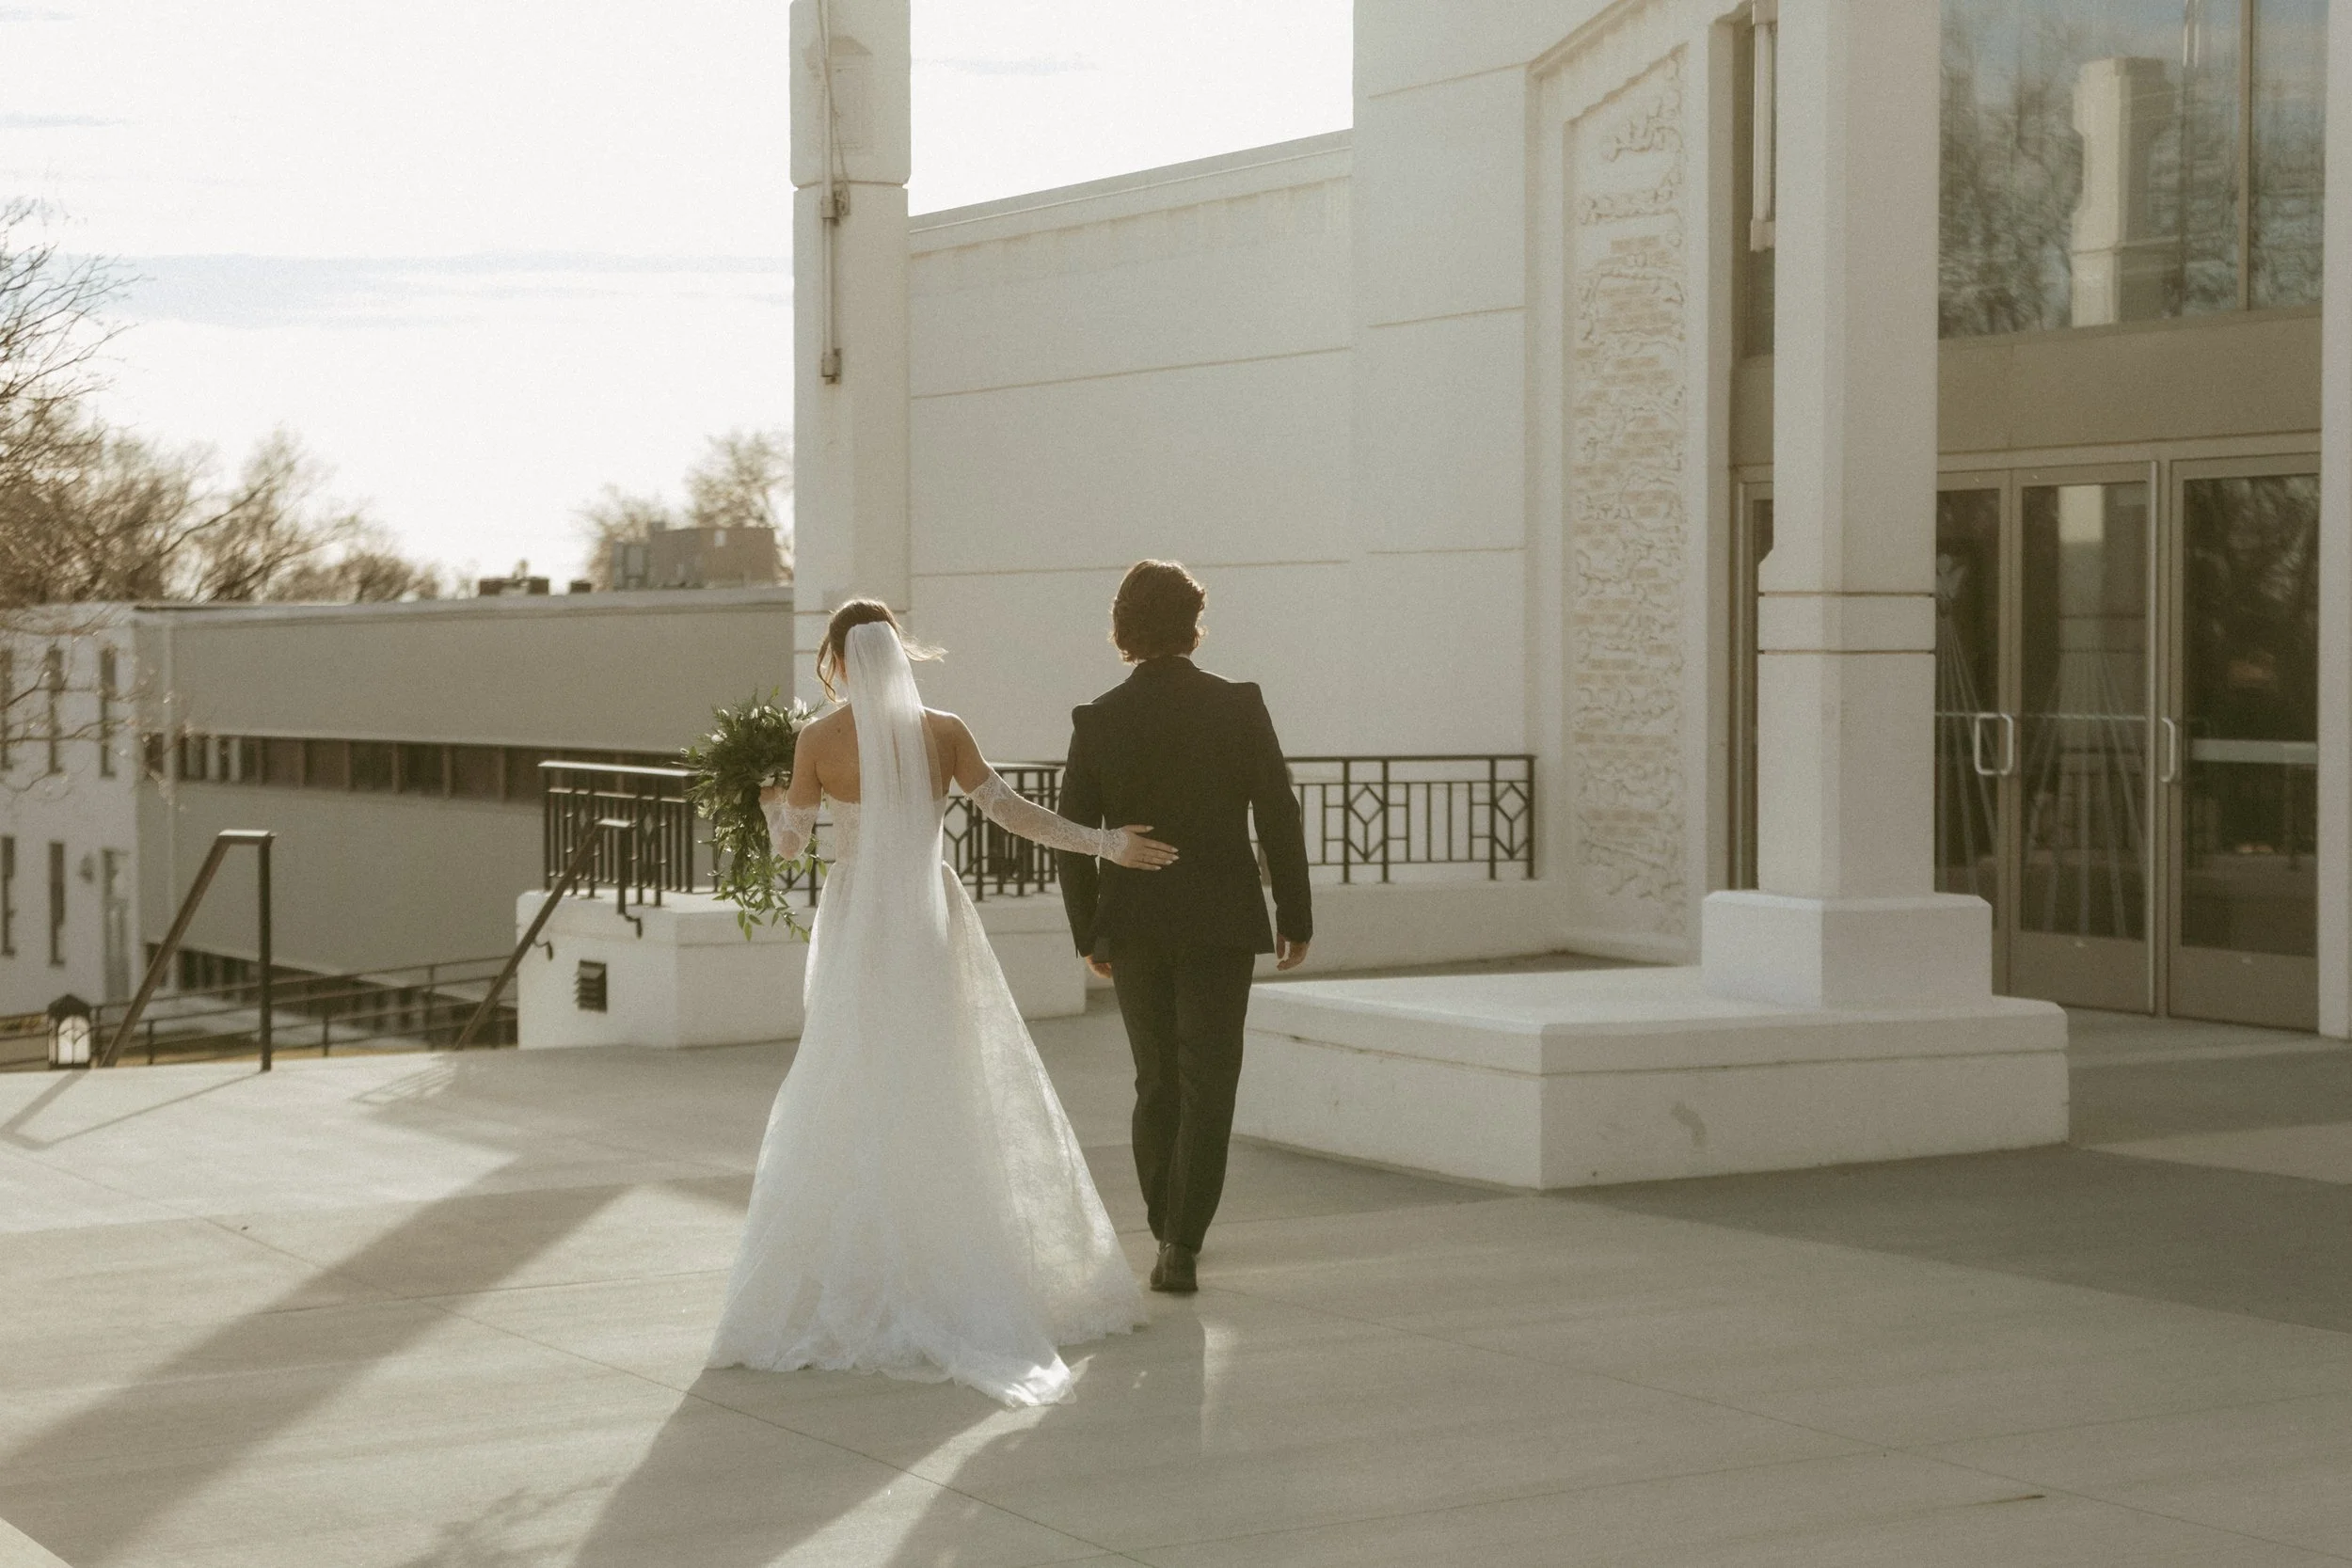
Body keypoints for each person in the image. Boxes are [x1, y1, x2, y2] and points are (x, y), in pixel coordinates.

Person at [707, 601, 1175, 1406]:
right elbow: (1012, 815)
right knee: (945, 1076)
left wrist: (765, 801)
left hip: (857, 921)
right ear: (900, 651)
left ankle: (864, 1272)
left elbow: (789, 847)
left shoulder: (818, 740)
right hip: (928, 915)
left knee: (851, 1076)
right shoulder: (945, 729)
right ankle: (959, 1258)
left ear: (837, 660)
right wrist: (1106, 843)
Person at [1057, 561, 1312, 1296]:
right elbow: (1278, 815)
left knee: (1156, 1079)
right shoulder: (1240, 705)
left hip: (1133, 923)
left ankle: (1164, 1218)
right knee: (1210, 1081)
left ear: (1124, 626)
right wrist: (1294, 914)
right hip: (1223, 921)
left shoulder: (1098, 718)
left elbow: (1076, 834)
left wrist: (1087, 932)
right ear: (1193, 622)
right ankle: (1183, 1239)